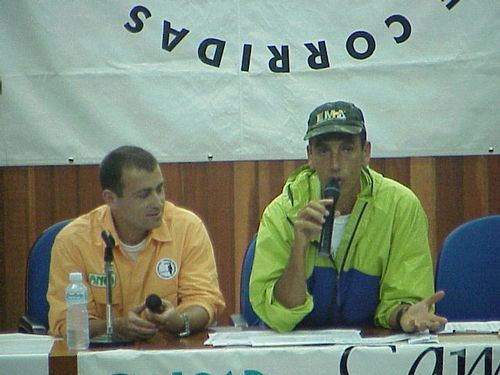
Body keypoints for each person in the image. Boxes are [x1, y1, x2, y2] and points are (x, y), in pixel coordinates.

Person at [249, 101, 447, 333]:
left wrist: (405, 314)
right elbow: (279, 316)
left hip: (371, 352)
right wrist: (299, 248)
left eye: (347, 149)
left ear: (366, 153)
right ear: (310, 156)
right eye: (324, 151)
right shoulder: (283, 212)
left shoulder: (399, 207)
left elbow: (403, 300)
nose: (335, 164)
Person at [47, 145, 225, 340]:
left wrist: (180, 321)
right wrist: (114, 326)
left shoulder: (187, 228)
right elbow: (66, 321)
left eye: (160, 189)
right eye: (144, 195)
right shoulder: (74, 240)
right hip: (99, 360)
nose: (157, 202)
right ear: (111, 199)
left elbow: (205, 300)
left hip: (168, 353)